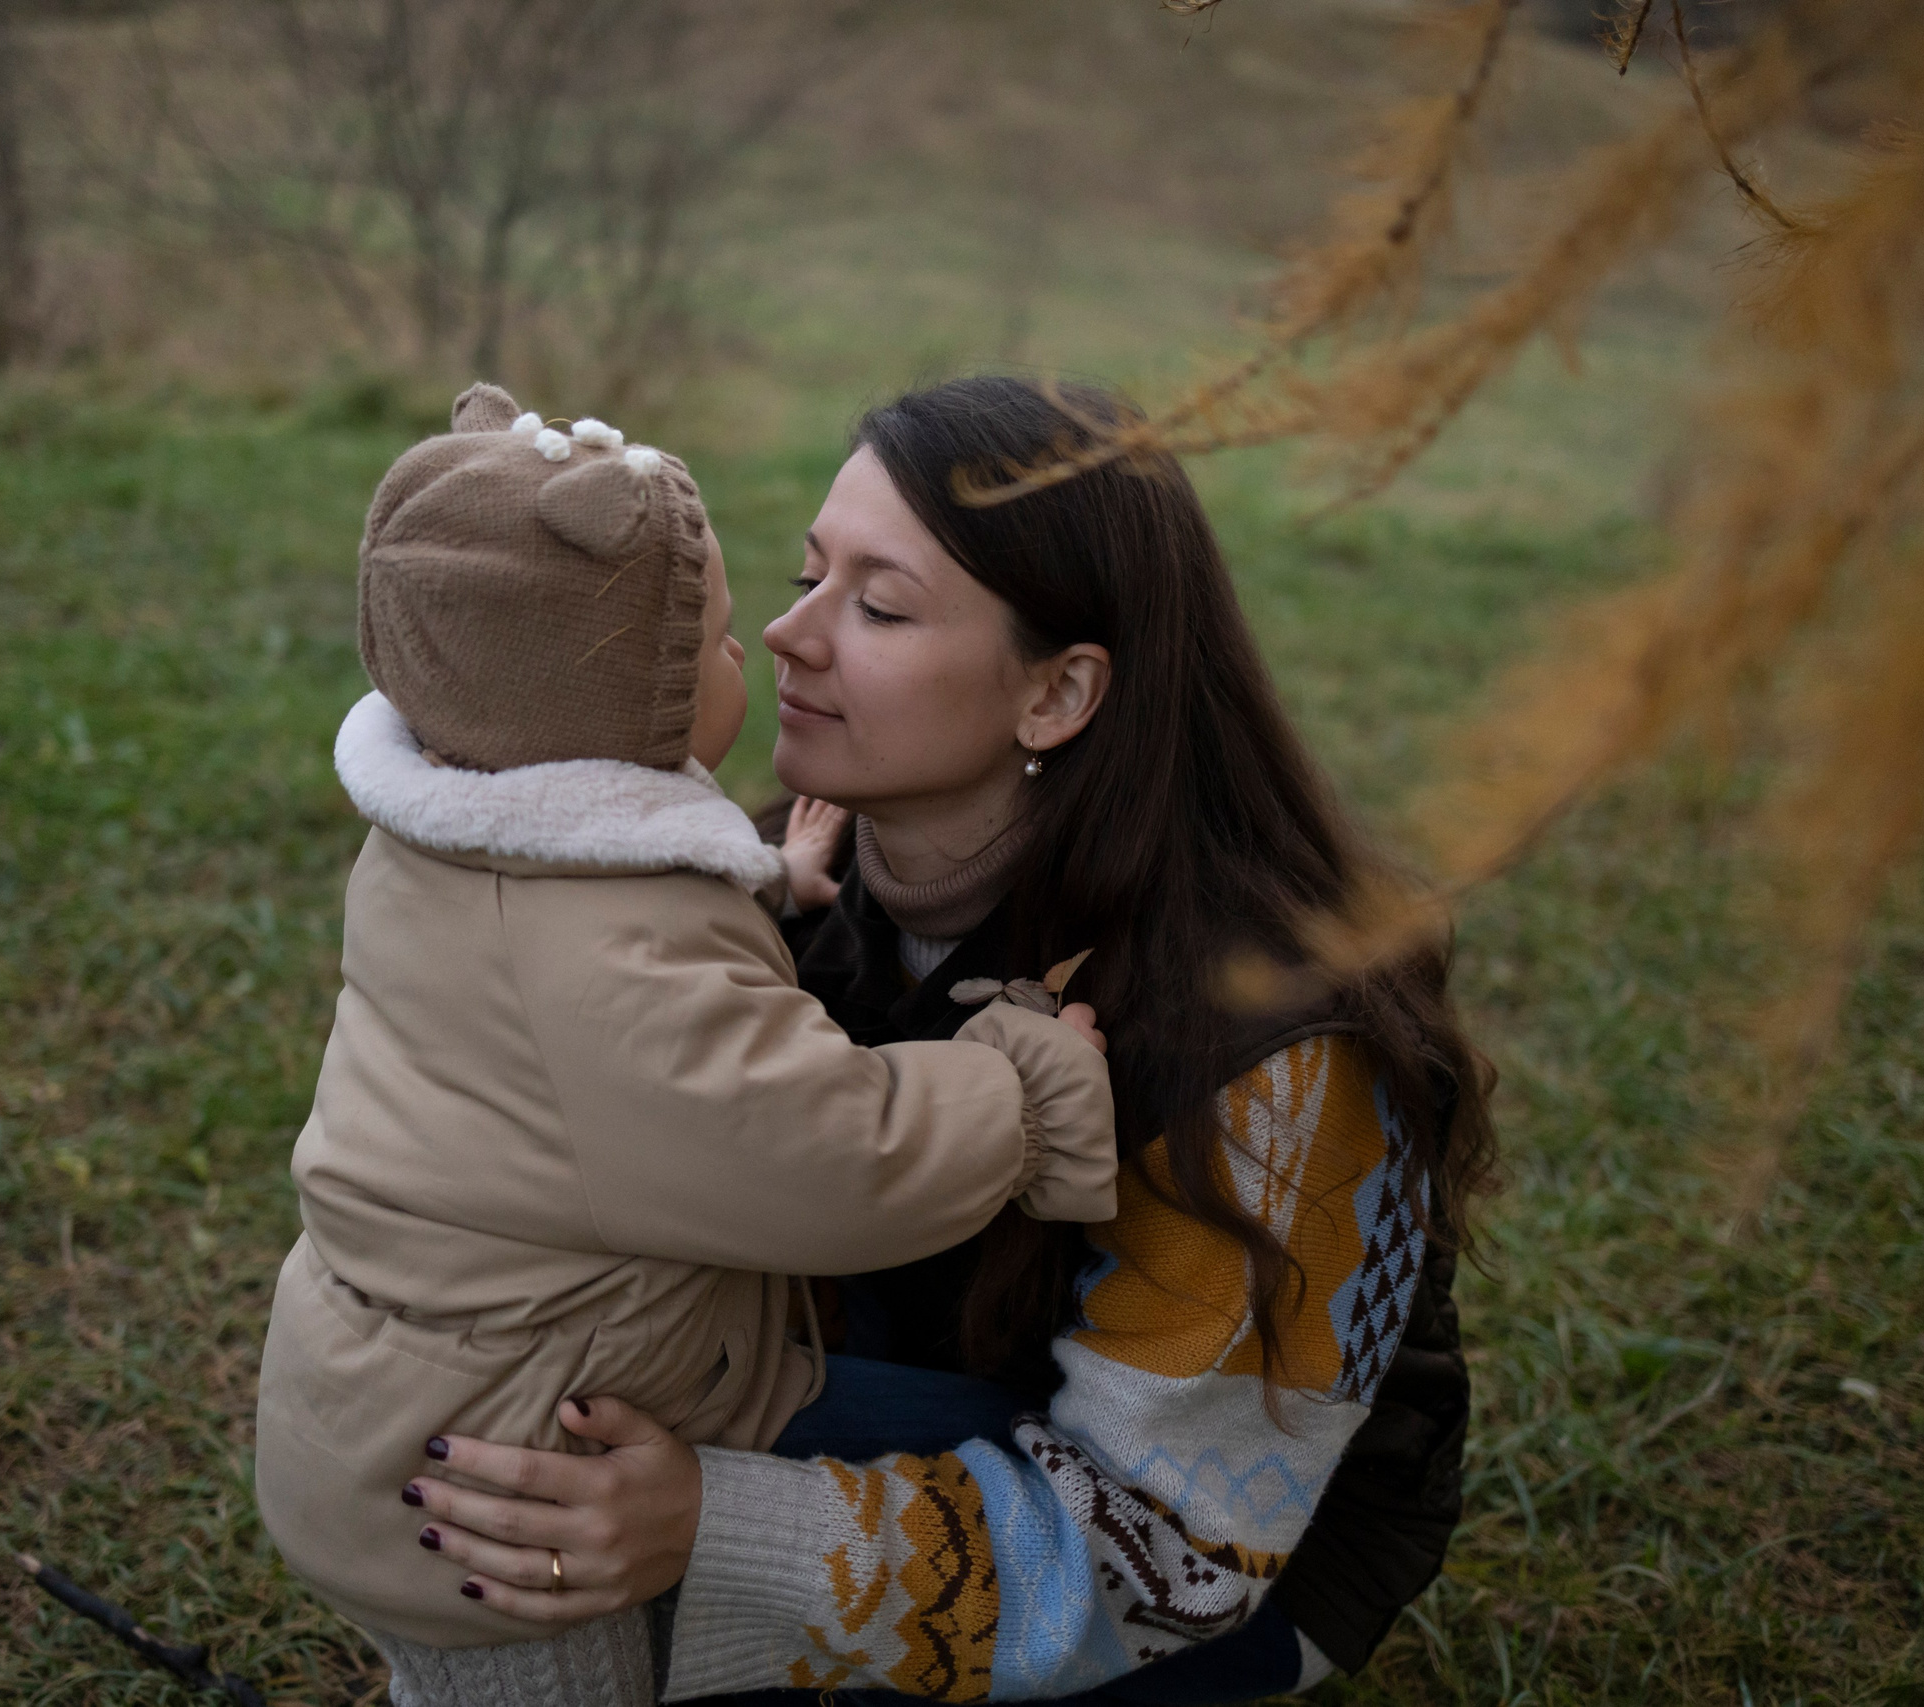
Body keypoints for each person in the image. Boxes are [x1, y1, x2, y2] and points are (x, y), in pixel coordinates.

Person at [405, 376, 1492, 1702]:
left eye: (879, 606)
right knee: (519, 1417)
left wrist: (709, 1524)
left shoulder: (1270, 1055)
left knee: (593, 1471)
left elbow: (1170, 1556)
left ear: (1058, 695)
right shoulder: (773, 885)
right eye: (808, 576)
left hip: (1217, 1563)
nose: (793, 635)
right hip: (924, 1379)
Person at [253, 382, 1122, 1707]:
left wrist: (759, 884)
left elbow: (593, 975)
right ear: (607, 705)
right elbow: (833, 1155)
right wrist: (1026, 1086)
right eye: (723, 638)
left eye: (875, 604)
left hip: (404, 1411)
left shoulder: (453, 839)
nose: (771, 640)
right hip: (508, 1488)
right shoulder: (613, 964)